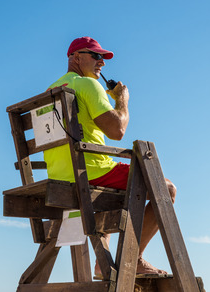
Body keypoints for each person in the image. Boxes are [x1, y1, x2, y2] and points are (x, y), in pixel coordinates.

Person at [43, 37, 177, 275]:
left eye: (103, 58)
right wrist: (122, 101)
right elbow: (117, 131)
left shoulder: (49, 91)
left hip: (59, 176)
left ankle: (102, 264)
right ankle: (134, 260)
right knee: (165, 189)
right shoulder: (87, 85)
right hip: (90, 171)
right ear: (75, 57)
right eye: (96, 56)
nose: (101, 63)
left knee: (111, 200)